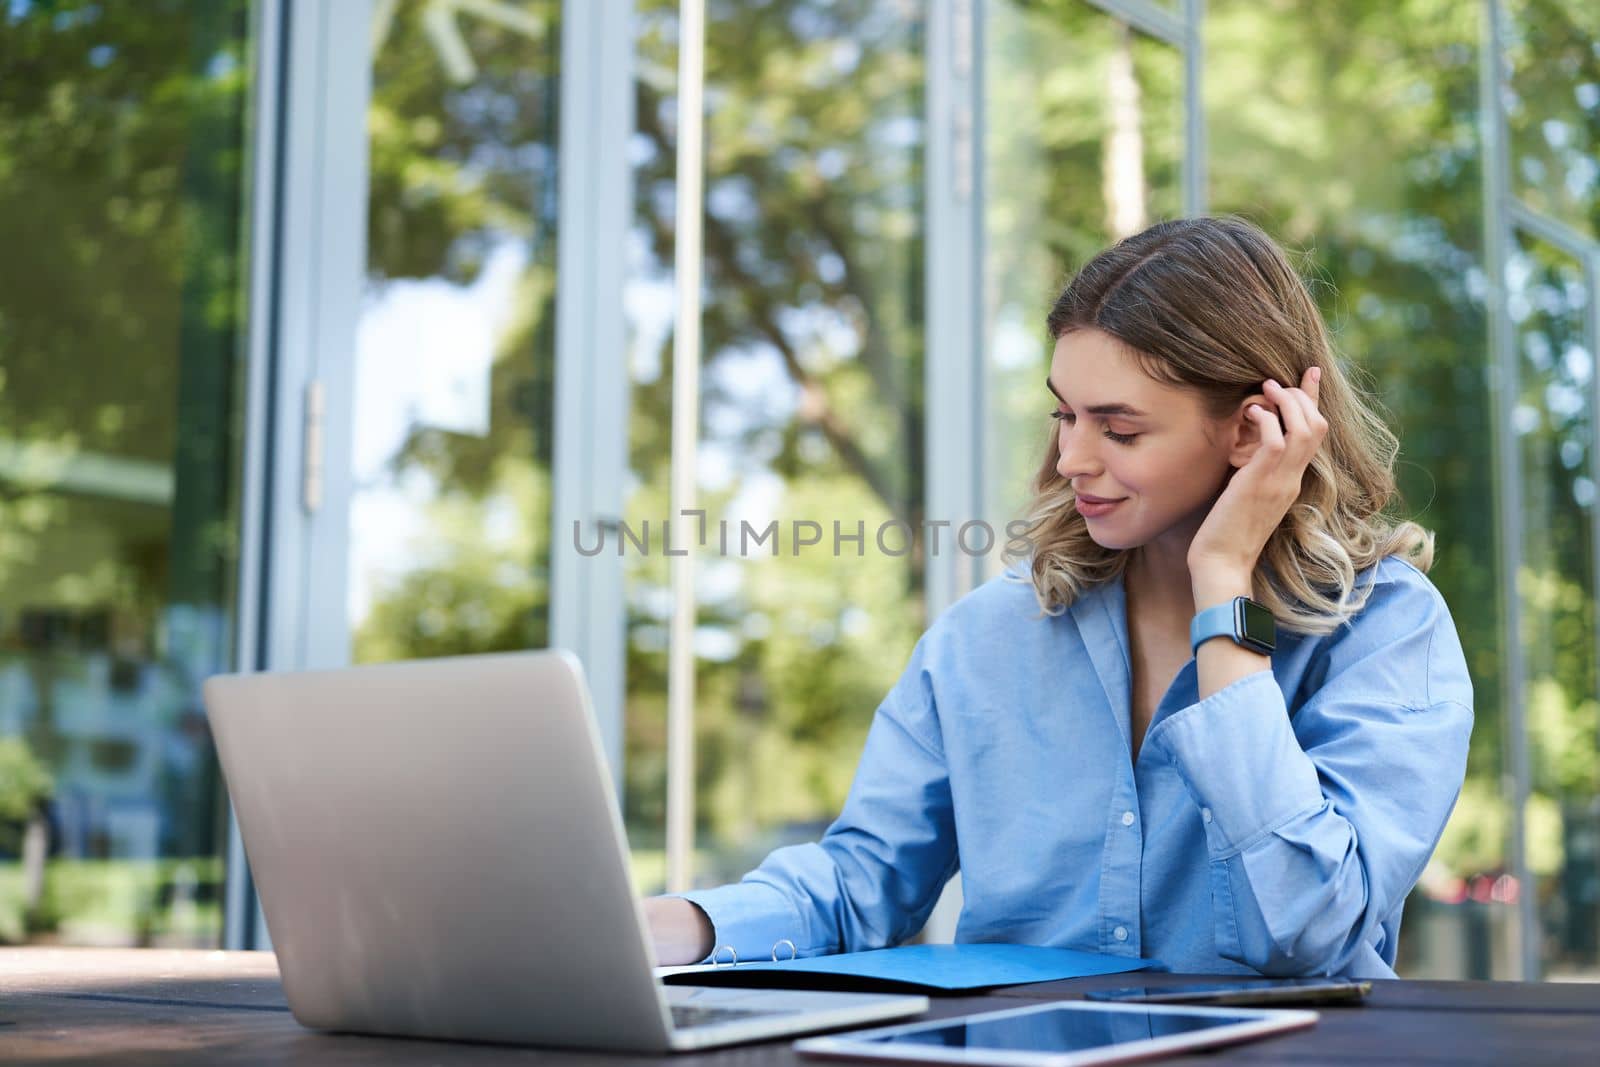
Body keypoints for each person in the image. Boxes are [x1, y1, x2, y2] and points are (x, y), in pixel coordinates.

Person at [643, 215, 1473, 979]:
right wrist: (675, 925)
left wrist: (1223, 585)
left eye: (1118, 428)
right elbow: (863, 880)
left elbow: (1314, 927)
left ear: (1252, 430)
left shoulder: (1385, 631)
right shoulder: (988, 636)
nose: (1073, 456)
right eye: (1063, 415)